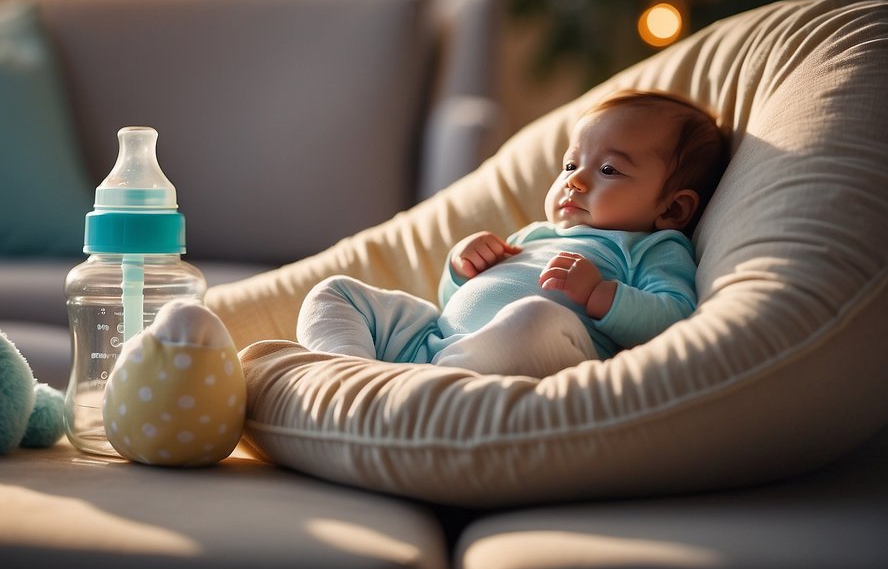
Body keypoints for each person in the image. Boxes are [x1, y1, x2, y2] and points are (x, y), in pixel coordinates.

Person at [296, 89, 728, 377]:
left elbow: (674, 319)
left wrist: (600, 294)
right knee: (336, 293)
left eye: (609, 170)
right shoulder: (539, 234)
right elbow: (451, 303)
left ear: (672, 209)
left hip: (517, 355)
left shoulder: (653, 247)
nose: (575, 181)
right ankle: (352, 378)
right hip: (436, 340)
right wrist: (463, 268)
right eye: (571, 165)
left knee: (534, 319)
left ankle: (414, 389)